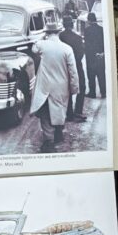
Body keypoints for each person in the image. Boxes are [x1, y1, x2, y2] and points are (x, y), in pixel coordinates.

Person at [30, 22, 79, 153]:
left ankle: (48, 142)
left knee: (46, 113)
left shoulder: (42, 45)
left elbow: (33, 48)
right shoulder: (67, 48)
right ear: (59, 32)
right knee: (59, 110)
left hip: (45, 85)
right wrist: (74, 87)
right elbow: (73, 71)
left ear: (46, 33)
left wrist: (42, 37)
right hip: (61, 86)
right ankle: (58, 134)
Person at [59, 15, 86, 121]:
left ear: (63, 25)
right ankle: (78, 111)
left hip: (64, 66)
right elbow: (81, 54)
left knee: (67, 89)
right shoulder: (78, 37)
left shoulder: (60, 37)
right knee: (82, 87)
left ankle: (69, 113)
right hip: (77, 65)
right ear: (72, 24)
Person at [83, 12, 106, 98]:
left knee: (91, 75)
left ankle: (92, 93)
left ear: (89, 20)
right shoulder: (101, 29)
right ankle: (103, 93)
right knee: (101, 75)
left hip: (91, 57)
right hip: (101, 56)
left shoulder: (87, 30)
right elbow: (103, 43)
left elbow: (88, 45)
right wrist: (102, 53)